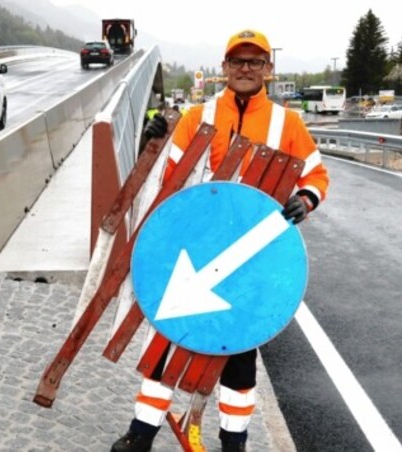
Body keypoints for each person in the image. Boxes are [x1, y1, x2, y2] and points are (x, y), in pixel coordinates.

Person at [113, 29, 330, 452]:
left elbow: (317, 175)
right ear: (225, 67)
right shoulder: (200, 115)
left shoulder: (289, 123)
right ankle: (141, 434)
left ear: (268, 68)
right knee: (169, 339)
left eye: (254, 61)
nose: (245, 68)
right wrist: (151, 140)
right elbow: (167, 177)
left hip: (252, 259)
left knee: (238, 354)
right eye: (237, 61)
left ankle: (234, 443)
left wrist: (305, 199)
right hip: (197, 250)